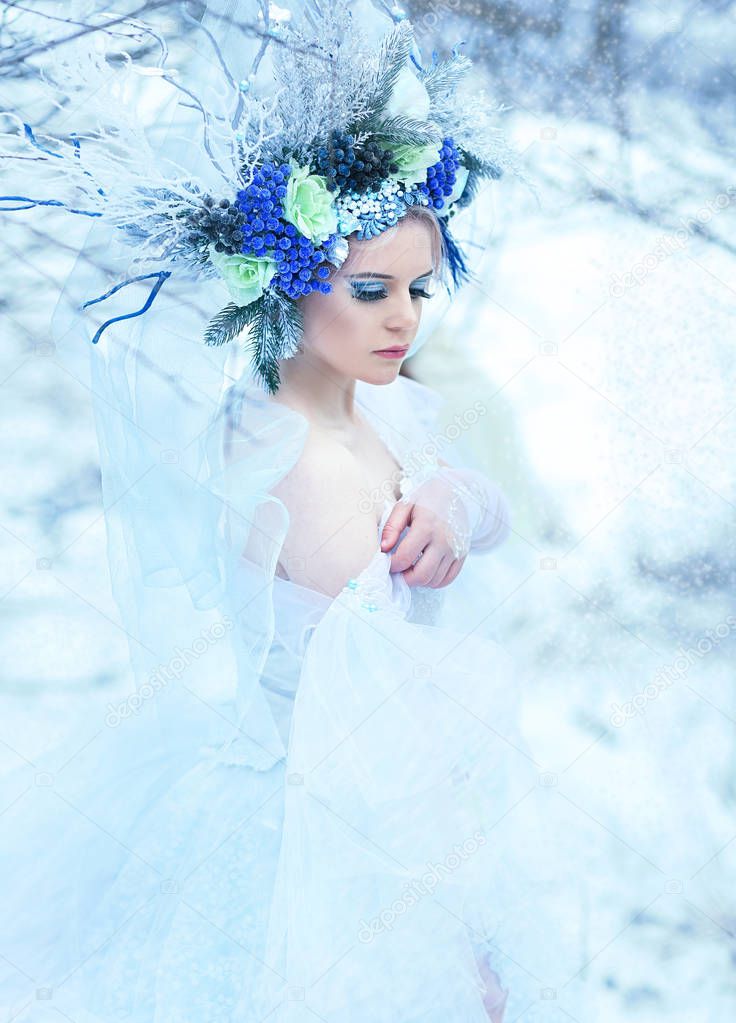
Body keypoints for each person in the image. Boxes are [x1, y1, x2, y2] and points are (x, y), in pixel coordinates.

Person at [0, 3, 585, 1021]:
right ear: (283, 284)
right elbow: (384, 729)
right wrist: (459, 929)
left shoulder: (383, 406)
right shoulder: (301, 469)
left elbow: (475, 501)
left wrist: (453, 499)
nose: (402, 317)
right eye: (369, 290)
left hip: (398, 797)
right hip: (344, 826)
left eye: (418, 290)